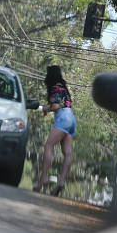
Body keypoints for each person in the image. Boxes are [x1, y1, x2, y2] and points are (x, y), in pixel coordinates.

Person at [32, 65, 76, 196]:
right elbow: (67, 104)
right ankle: (61, 181)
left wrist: (46, 108)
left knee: (48, 146)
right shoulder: (64, 88)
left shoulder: (54, 88)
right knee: (67, 153)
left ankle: (43, 178)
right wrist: (48, 107)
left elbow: (56, 106)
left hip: (63, 118)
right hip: (71, 119)